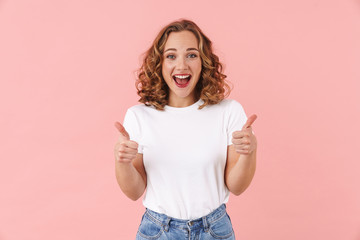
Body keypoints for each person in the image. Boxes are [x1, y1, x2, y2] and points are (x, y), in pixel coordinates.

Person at [114, 18, 257, 240]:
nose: (181, 66)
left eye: (191, 55)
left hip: (214, 230)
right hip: (158, 231)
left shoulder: (229, 111)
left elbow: (236, 187)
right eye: (171, 56)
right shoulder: (138, 116)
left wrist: (249, 153)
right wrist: (122, 162)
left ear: (204, 62)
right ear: (159, 64)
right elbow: (134, 192)